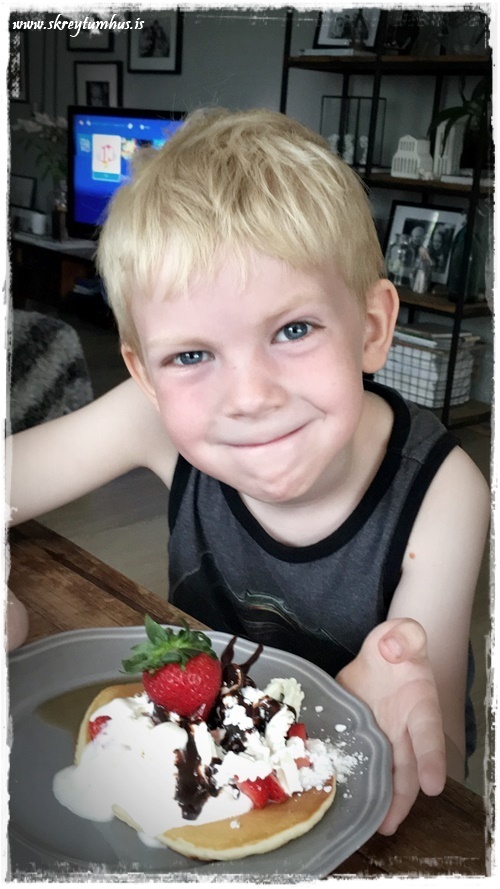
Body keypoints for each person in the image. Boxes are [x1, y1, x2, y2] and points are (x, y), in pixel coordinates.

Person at [6, 109, 489, 838]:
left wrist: (383, 711)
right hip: (191, 782)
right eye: (191, 355)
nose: (250, 397)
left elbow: (439, 774)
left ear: (371, 327)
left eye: (293, 330)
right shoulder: (151, 416)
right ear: (146, 376)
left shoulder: (444, 493)